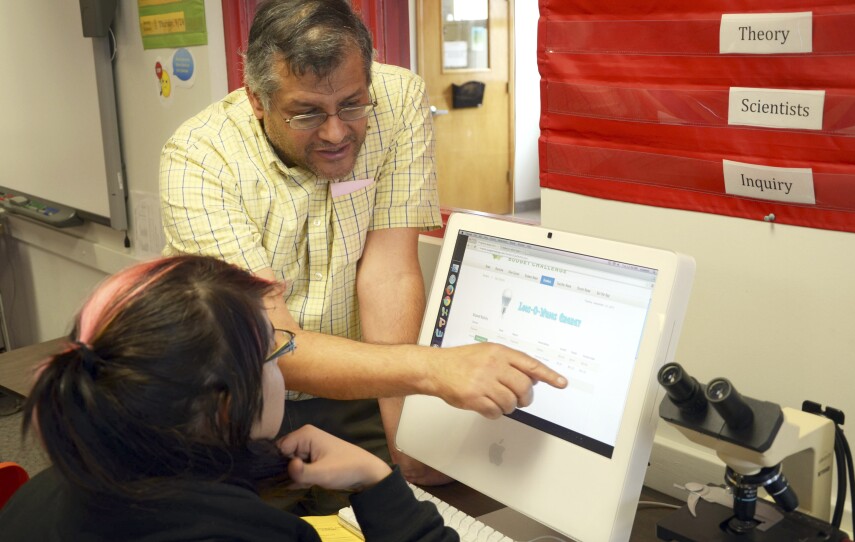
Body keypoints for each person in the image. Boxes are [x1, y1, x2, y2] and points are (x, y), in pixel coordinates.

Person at [160, 0, 567, 487]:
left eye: (352, 105)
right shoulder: (199, 159)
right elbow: (274, 346)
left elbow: (389, 273)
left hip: (356, 386)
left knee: (402, 503)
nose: (335, 132)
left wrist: (405, 446)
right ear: (256, 100)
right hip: (234, 398)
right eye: (307, 113)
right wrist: (432, 371)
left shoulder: (396, 102)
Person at [0, 255, 456, 541]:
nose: (281, 365)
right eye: (275, 354)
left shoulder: (39, 496)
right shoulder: (261, 534)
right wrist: (377, 479)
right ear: (226, 405)